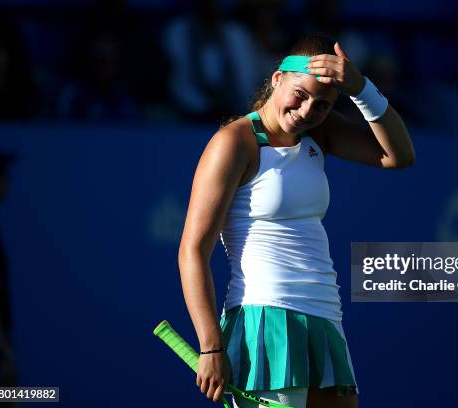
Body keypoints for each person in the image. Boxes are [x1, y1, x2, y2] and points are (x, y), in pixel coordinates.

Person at [178, 34, 415, 408]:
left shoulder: (317, 133)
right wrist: (210, 347)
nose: (306, 111)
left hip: (324, 318)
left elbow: (398, 155)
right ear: (277, 80)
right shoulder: (234, 142)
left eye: (322, 105)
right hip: (264, 319)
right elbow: (193, 250)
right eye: (300, 95)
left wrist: (361, 88)